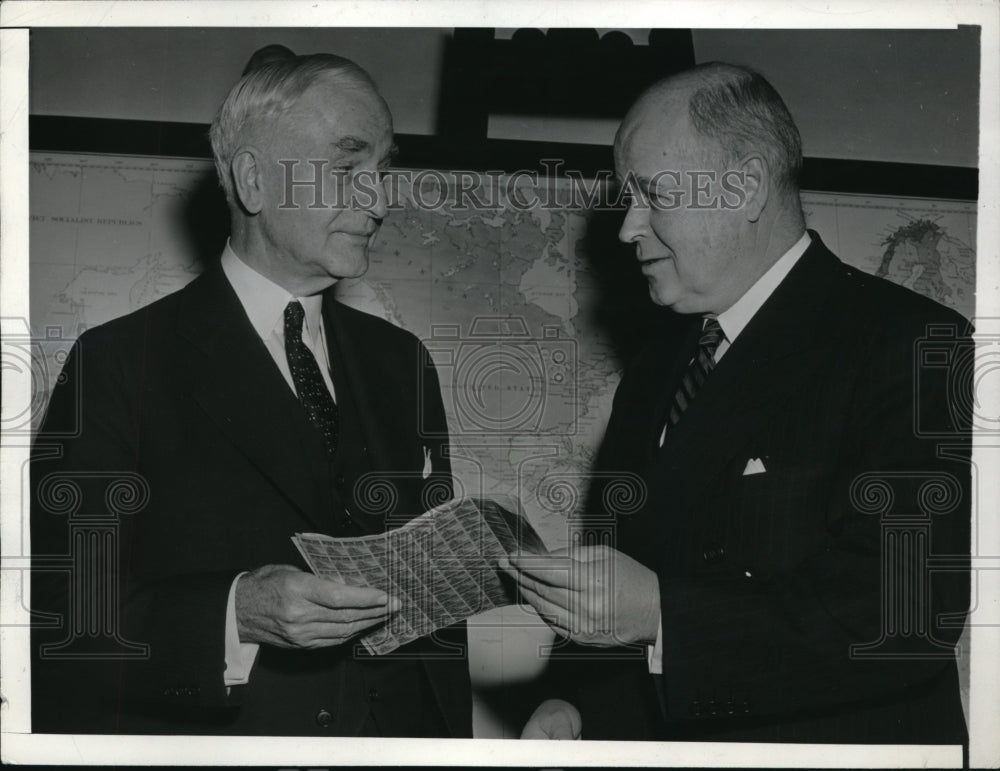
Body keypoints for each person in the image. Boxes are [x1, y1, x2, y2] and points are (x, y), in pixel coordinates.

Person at [505, 62, 971, 744]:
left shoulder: (914, 344)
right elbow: (635, 570)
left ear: (746, 186)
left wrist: (664, 613)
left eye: (654, 195)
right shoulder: (658, 368)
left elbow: (904, 611)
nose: (627, 227)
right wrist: (577, 704)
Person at [31, 50, 472, 737]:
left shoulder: (402, 361)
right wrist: (233, 613)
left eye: (383, 172)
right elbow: (64, 615)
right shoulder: (117, 364)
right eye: (349, 167)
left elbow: (434, 626)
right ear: (255, 180)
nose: (381, 202)